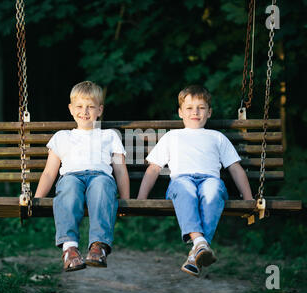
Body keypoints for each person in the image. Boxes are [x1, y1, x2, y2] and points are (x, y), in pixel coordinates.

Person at [137, 85, 253, 277]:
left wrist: (248, 198)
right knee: (186, 189)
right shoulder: (172, 137)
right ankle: (201, 244)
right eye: (190, 108)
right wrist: (141, 198)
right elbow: (154, 168)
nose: (195, 112)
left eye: (201, 107)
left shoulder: (217, 137)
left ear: (209, 112)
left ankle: (196, 251)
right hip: (181, 182)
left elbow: (235, 167)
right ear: (180, 113)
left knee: (213, 189)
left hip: (210, 180)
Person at [34, 81, 130, 272]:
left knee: (102, 186)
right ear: (71, 109)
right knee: (68, 188)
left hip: (100, 176)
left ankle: (98, 246)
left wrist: (127, 200)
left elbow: (120, 170)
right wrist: (37, 198)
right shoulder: (62, 136)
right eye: (79, 106)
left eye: (90, 107)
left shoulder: (110, 136)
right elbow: (49, 172)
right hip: (71, 177)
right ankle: (70, 248)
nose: (84, 111)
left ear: (100, 110)